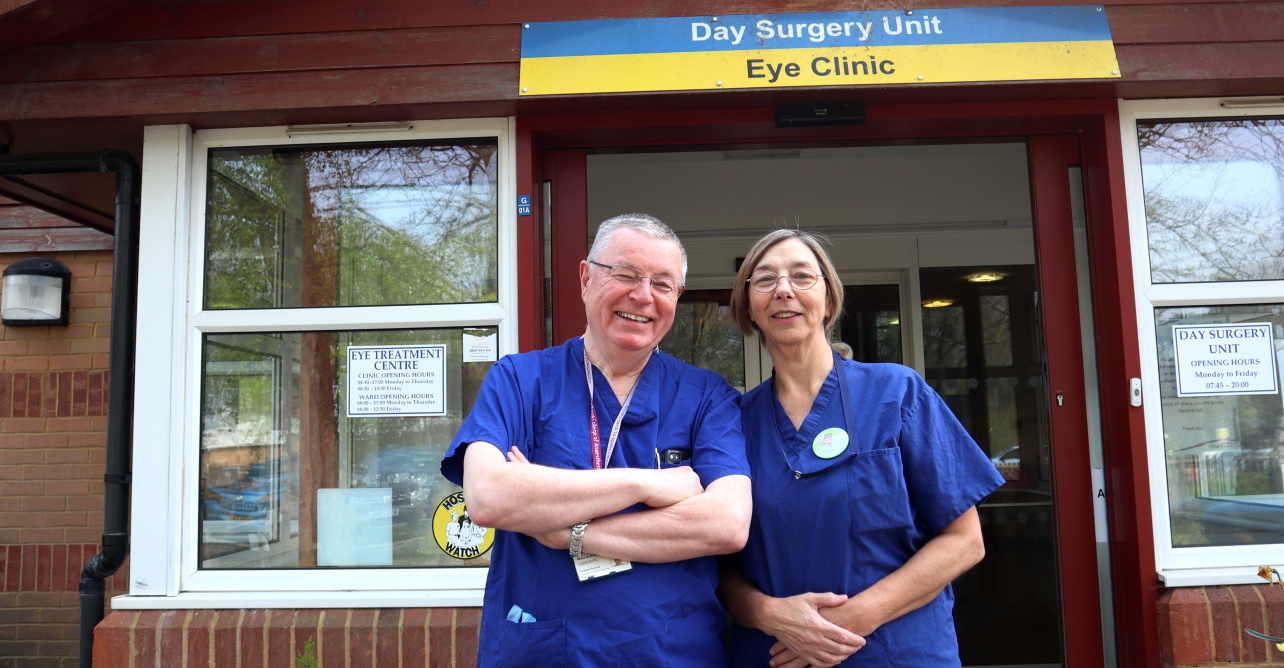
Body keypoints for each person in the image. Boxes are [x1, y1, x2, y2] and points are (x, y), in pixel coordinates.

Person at [441, 213, 753, 667]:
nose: (643, 295)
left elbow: (726, 523)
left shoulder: (708, 397)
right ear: (586, 278)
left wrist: (569, 531)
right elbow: (489, 498)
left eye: (663, 284)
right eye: (625, 274)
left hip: (670, 653)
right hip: (544, 651)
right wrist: (648, 485)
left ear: (676, 298)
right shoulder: (520, 380)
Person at [720, 229, 1005, 667]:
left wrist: (849, 620)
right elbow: (719, 570)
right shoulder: (734, 422)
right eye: (764, 280)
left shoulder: (897, 393)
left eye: (801, 276)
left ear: (829, 302)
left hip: (896, 653)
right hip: (777, 655)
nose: (783, 290)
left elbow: (965, 542)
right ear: (749, 310)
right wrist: (771, 614)